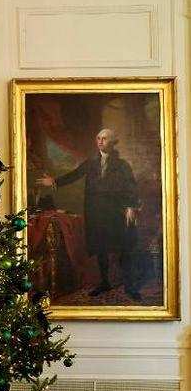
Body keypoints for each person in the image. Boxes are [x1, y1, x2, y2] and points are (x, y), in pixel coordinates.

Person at [36, 128, 141, 300]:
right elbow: (74, 175)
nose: (100, 141)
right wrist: (54, 181)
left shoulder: (122, 165)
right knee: (101, 248)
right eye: (98, 138)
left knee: (123, 248)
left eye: (105, 138)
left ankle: (130, 286)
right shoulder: (91, 162)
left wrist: (130, 206)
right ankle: (105, 282)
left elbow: (131, 187)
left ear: (113, 142)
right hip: (95, 212)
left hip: (116, 212)